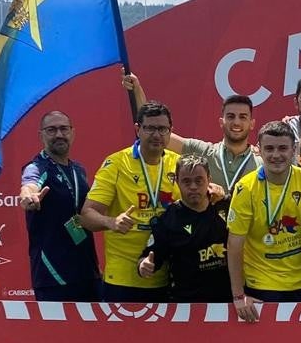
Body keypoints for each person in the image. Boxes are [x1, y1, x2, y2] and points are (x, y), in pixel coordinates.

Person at [227, 121, 301, 321]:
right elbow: (234, 245)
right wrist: (238, 295)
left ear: (293, 150)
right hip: (261, 284)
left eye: (283, 148)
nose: (276, 155)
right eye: (269, 148)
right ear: (259, 150)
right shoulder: (246, 188)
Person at [80, 101, 182, 303]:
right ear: (137, 129)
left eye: (162, 129)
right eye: (150, 128)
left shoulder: (178, 163)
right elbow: (86, 216)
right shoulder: (116, 163)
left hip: (164, 278)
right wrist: (111, 222)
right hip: (122, 281)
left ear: (171, 131)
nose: (156, 135)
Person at [121, 73, 256, 191]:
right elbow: (158, 131)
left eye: (243, 117)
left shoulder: (261, 161)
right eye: (231, 116)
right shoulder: (203, 151)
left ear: (252, 124)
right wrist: (137, 89)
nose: (237, 122)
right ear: (221, 122)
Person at [18, 110, 100, 301]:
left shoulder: (78, 170)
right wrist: (28, 196)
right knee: (58, 332)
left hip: (87, 272)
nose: (59, 134)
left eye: (64, 129)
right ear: (41, 135)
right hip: (53, 275)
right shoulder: (37, 167)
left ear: (72, 132)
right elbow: (29, 184)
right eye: (51, 130)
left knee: (93, 331)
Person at [138, 155, 230, 302]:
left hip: (228, 304)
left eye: (199, 181)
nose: (193, 186)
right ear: (176, 182)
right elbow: (149, 257)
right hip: (185, 306)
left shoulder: (226, 206)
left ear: (209, 179)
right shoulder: (168, 220)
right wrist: (144, 266)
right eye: (186, 181)